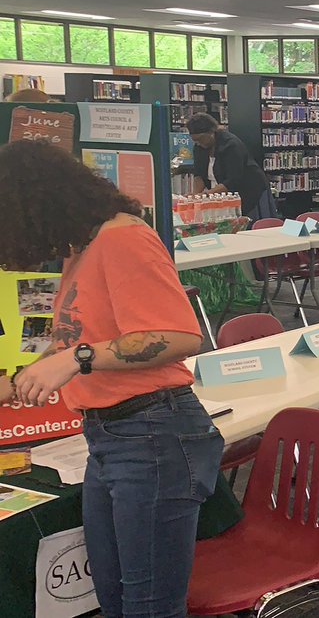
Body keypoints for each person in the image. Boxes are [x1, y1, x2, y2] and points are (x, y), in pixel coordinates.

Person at [0, 140, 219, 617]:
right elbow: (90, 337)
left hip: (154, 434)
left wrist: (74, 358)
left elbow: (181, 336)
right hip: (111, 436)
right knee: (115, 598)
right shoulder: (82, 248)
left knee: (148, 606)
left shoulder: (122, 238)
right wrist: (23, 378)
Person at [182, 113, 277, 220]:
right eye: (194, 140)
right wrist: (196, 196)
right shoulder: (199, 147)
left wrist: (207, 195)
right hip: (222, 195)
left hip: (250, 192)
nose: (198, 143)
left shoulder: (231, 145)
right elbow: (199, 175)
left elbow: (233, 180)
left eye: (200, 139)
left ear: (211, 132)